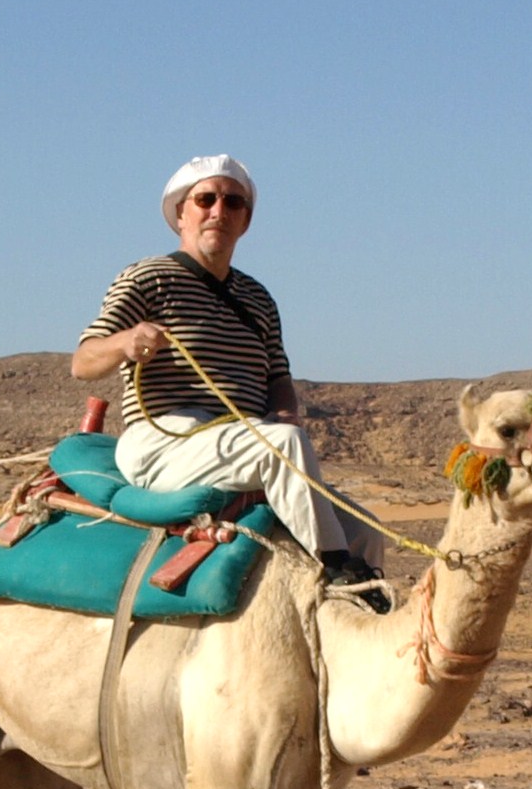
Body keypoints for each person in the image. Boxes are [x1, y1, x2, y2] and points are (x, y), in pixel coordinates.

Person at [71, 156, 385, 597]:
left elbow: (278, 375)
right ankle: (337, 572)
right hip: (168, 441)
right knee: (284, 446)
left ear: (245, 220)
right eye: (205, 199)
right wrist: (125, 342)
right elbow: (83, 361)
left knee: (366, 531)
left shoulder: (258, 299)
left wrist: (283, 412)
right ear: (182, 213)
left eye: (233, 202)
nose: (219, 210)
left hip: (244, 440)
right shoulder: (147, 278)